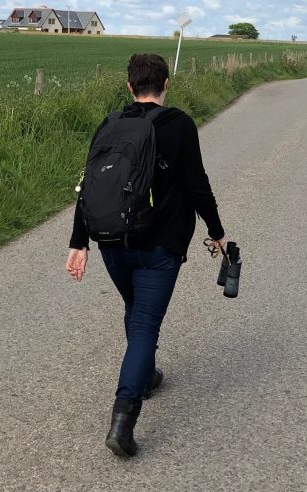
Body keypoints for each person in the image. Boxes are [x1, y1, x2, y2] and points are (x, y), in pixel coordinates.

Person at [65, 52, 227, 457]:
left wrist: (79, 241)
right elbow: (197, 185)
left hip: (112, 242)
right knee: (144, 326)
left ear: (129, 86)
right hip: (160, 247)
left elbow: (89, 184)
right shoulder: (179, 124)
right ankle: (123, 420)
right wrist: (217, 232)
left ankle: (147, 375)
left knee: (135, 309)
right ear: (166, 84)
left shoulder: (110, 123)